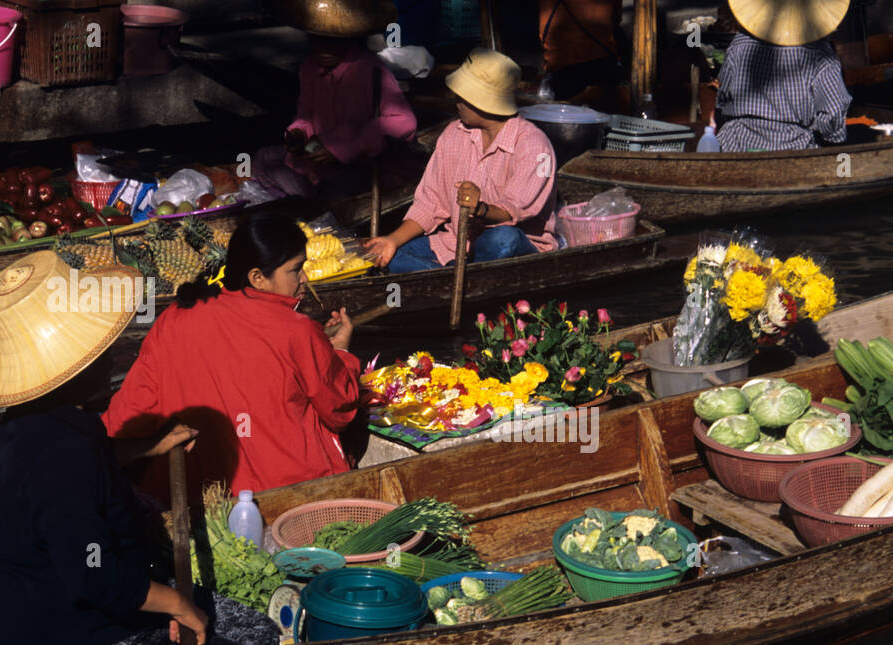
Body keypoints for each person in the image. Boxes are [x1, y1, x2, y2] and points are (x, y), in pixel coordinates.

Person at [0, 250, 279, 645]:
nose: (111, 357)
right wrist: (175, 604)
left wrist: (149, 445)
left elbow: (90, 468)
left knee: (258, 628)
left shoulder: (37, 421)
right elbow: (94, 576)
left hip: (40, 605)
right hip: (58, 641)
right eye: (99, 352)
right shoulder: (61, 452)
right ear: (69, 369)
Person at [103, 214, 360, 499]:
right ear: (257, 277)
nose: (305, 279)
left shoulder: (175, 316)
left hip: (196, 494)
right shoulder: (297, 331)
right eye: (296, 270)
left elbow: (132, 410)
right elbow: (339, 409)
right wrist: (341, 353)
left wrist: (104, 451)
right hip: (286, 492)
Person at [363, 49, 558, 274]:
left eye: (461, 96)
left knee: (502, 240)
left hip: (513, 246)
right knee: (392, 257)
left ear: (482, 101)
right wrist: (392, 240)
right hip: (457, 246)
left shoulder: (533, 144)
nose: (456, 102)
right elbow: (429, 204)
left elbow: (514, 211)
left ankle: (448, 277)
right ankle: (453, 277)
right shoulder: (453, 134)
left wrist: (480, 208)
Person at [256, 0, 418, 200]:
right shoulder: (309, 67)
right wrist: (298, 133)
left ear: (350, 39)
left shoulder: (369, 69)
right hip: (317, 158)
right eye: (316, 39)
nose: (322, 49)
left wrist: (349, 148)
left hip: (360, 166)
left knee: (337, 187)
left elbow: (404, 122)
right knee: (264, 159)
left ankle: (312, 204)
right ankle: (303, 202)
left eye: (331, 41)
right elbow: (305, 113)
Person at [713, 0, 853, 152]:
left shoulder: (740, 43)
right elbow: (833, 112)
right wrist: (833, 137)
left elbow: (723, 96)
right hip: (795, 148)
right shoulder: (821, 54)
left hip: (737, 144)